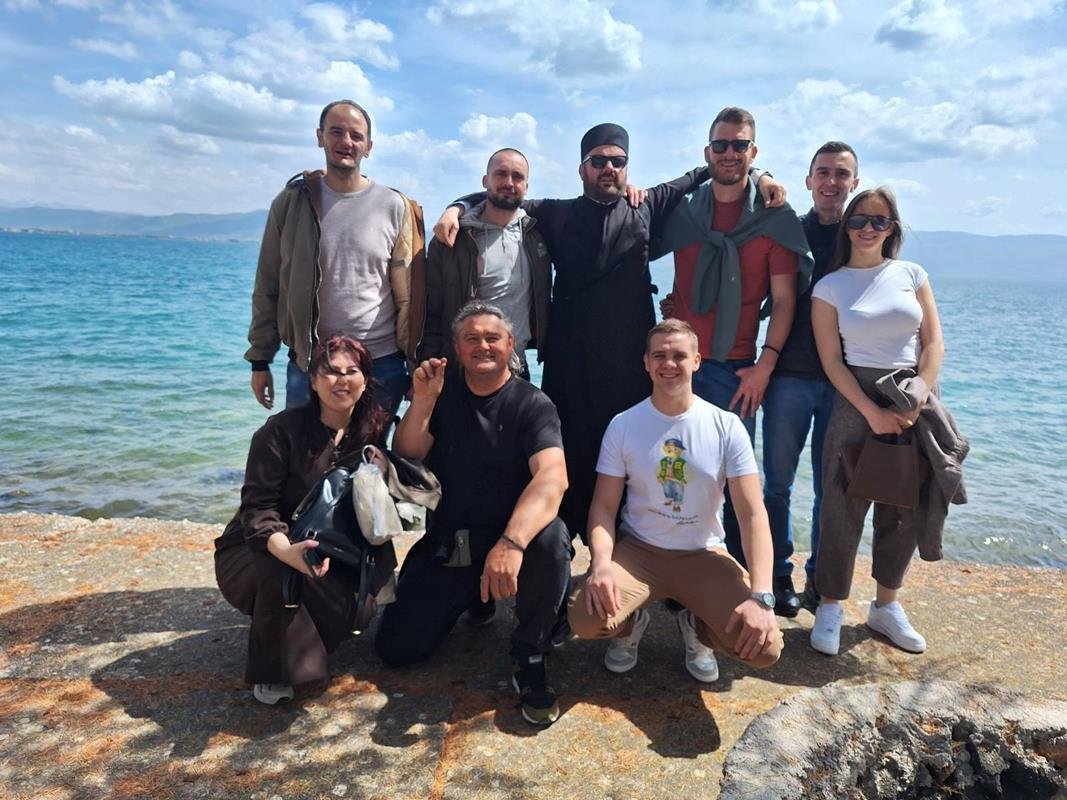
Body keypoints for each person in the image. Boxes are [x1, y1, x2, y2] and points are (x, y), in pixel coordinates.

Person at [434, 124, 784, 540]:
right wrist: (456, 206)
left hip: (628, 366)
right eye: (598, 161)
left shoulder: (647, 205)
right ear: (582, 169)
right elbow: (502, 197)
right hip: (569, 364)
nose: (608, 168)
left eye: (617, 161)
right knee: (567, 455)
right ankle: (558, 547)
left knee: (629, 457)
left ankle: (624, 550)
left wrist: (760, 175)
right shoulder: (557, 213)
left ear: (627, 166)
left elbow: (703, 171)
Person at [374, 302, 572, 726]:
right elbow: (407, 454)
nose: (483, 345)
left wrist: (511, 542)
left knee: (553, 537)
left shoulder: (532, 403)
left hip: (514, 542)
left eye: (492, 338)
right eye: (471, 338)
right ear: (457, 348)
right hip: (454, 542)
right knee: (397, 649)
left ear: (510, 344)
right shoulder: (441, 395)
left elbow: (553, 477)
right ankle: (475, 600)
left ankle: (530, 651)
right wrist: (423, 401)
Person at [653, 107, 811, 617]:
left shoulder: (773, 217)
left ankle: (764, 579)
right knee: (678, 471)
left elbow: (784, 301)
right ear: (707, 152)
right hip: (679, 364)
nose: (729, 154)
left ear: (753, 152)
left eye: (739, 146)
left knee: (742, 482)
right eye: (720, 145)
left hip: (738, 365)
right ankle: (681, 575)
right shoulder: (684, 211)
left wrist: (766, 365)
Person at [568, 319, 783, 684]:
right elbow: (603, 507)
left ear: (697, 361)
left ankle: (698, 629)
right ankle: (632, 622)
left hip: (702, 553)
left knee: (765, 649)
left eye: (679, 356)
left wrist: (762, 596)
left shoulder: (726, 426)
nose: (669, 364)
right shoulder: (623, 424)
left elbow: (752, 515)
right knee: (586, 619)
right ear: (646, 363)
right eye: (659, 356)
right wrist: (600, 565)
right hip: (639, 551)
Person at [809, 187, 965, 657]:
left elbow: (933, 343)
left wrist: (918, 395)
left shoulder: (912, 274)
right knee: (841, 502)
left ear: (892, 228)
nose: (868, 229)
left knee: (904, 504)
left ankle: (886, 605)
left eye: (879, 221)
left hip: (912, 393)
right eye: (859, 220)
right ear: (847, 226)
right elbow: (831, 361)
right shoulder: (830, 285)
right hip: (855, 397)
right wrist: (871, 411)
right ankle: (831, 605)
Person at [215, 334, 393, 704]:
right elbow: (257, 508)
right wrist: (285, 549)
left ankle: (307, 622)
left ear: (365, 380)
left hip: (333, 545)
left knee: (357, 615)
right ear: (312, 381)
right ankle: (273, 670)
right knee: (283, 573)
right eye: (330, 372)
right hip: (258, 545)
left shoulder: (371, 429)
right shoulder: (280, 431)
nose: (341, 380)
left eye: (352, 371)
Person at [246, 99, 425, 418]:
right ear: (320, 137)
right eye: (336, 132)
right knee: (304, 449)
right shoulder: (292, 203)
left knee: (370, 450)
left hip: (380, 362)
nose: (346, 142)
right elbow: (268, 284)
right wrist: (260, 360)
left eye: (356, 136)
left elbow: (411, 294)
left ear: (368, 146)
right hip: (311, 362)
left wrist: (414, 364)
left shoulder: (395, 206)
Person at [762, 141, 860, 615]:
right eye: (823, 172)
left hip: (845, 382)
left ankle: (820, 579)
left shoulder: (863, 236)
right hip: (789, 376)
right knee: (776, 484)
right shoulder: (790, 231)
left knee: (830, 489)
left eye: (841, 174)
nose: (831, 181)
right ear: (808, 181)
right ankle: (778, 575)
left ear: (854, 183)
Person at [418, 148, 550, 379]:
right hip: (461, 370)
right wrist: (426, 365)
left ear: (527, 187)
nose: (509, 183)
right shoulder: (451, 239)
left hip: (516, 368)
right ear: (485, 181)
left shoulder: (536, 234)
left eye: (517, 176)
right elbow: (431, 310)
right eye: (501, 174)